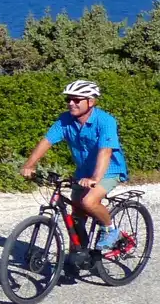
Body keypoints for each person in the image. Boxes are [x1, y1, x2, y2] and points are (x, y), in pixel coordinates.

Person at [20, 80, 128, 251]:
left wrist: (95, 178)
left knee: (88, 201)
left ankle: (110, 229)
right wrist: (29, 164)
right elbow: (46, 142)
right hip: (83, 172)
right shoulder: (65, 120)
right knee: (76, 217)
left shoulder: (106, 121)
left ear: (90, 102)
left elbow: (105, 151)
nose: (71, 103)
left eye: (77, 100)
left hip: (108, 170)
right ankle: (79, 253)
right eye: (69, 99)